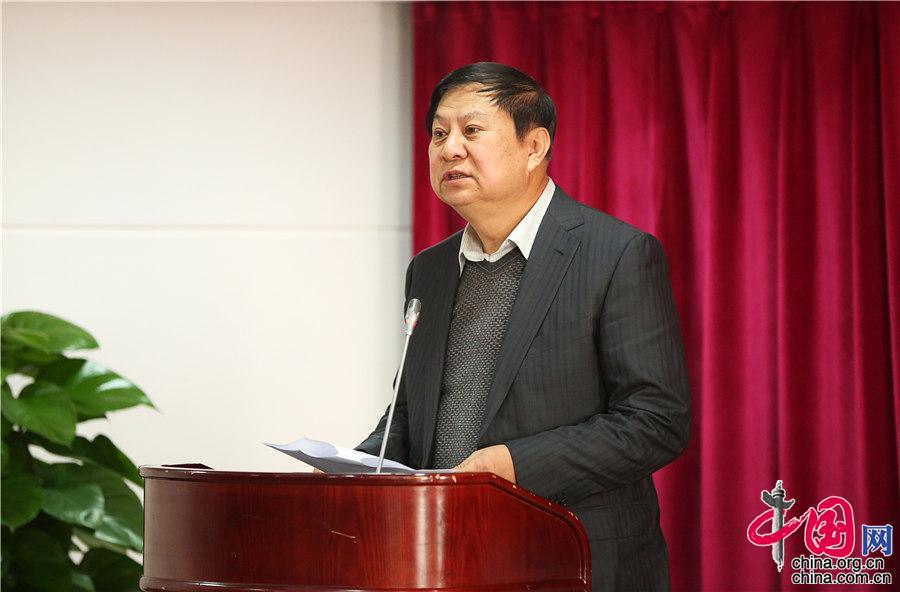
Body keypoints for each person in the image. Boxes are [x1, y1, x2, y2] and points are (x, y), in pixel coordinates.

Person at [357, 62, 691, 591]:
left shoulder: (616, 254)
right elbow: (411, 415)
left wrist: (512, 465)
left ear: (534, 146)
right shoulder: (430, 270)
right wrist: (353, 469)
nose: (449, 149)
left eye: (471, 130)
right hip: (445, 559)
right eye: (439, 134)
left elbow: (655, 421)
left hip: (572, 558)